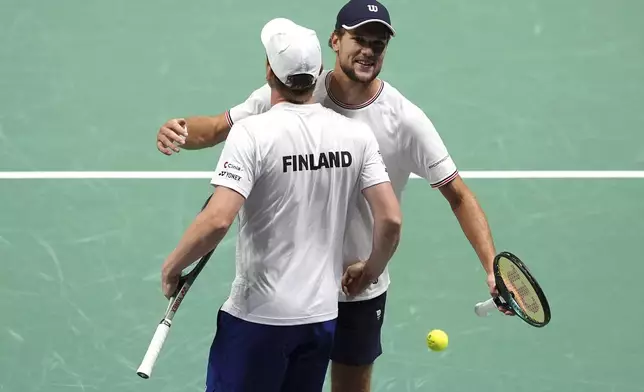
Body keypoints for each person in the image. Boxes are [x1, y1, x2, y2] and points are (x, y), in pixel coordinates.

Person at [157, 0, 512, 391]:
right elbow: (219, 126)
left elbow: (458, 195)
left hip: (356, 287)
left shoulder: (404, 120)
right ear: (335, 40)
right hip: (301, 286)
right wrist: (182, 130)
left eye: (378, 44)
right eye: (359, 39)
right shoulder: (299, 88)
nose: (369, 50)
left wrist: (490, 266)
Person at [159, 17, 402, 392]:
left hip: (258, 318)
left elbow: (217, 220)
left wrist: (172, 266)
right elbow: (390, 219)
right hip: (321, 318)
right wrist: (372, 268)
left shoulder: (251, 134)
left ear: (269, 71)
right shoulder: (356, 135)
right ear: (318, 70)